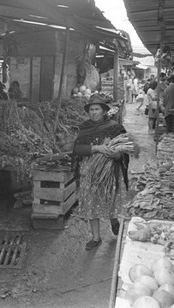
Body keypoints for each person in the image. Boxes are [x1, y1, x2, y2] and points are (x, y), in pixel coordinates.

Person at [73, 94, 129, 250]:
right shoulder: (85, 128)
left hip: (109, 170)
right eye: (91, 109)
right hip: (89, 171)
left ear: (104, 111)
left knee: (109, 196)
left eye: (97, 109)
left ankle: (113, 219)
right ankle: (96, 237)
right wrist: (96, 148)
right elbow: (77, 148)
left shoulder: (114, 127)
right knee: (91, 200)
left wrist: (115, 154)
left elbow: (123, 151)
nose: (94, 112)